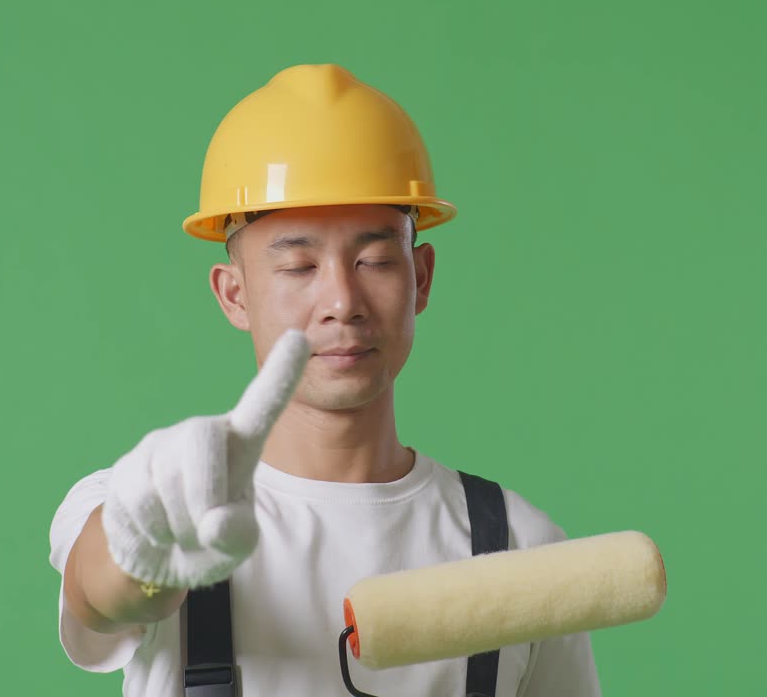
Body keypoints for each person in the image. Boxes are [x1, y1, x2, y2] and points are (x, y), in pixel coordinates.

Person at [48, 63, 602, 696]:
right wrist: (142, 555)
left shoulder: (520, 547)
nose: (342, 299)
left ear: (420, 277)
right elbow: (103, 593)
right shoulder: (145, 505)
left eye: (374, 259)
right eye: (299, 265)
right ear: (234, 296)